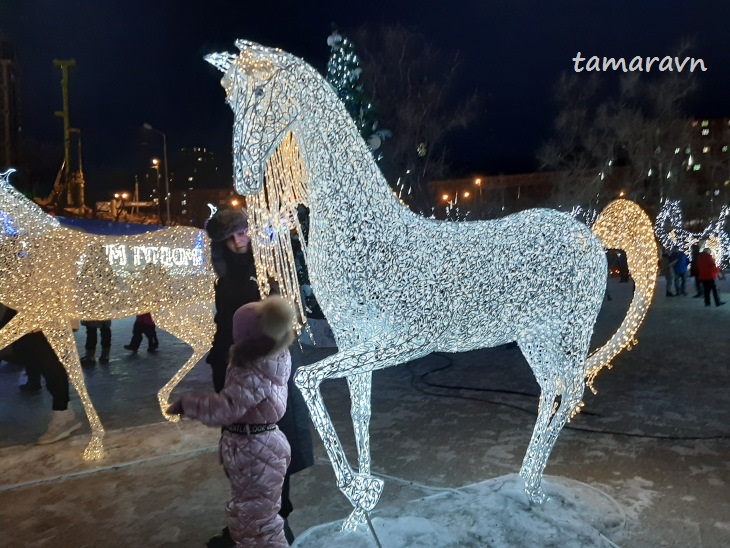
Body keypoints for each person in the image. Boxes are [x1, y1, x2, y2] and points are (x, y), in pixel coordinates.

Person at [204, 208, 314, 547]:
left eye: (243, 231)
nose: (240, 239)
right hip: (235, 376)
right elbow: (225, 324)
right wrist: (219, 362)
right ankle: (248, 527)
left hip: (266, 380)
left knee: (269, 452)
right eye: (232, 234)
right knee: (245, 457)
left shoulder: (265, 272)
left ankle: (278, 524)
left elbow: (281, 323)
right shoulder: (225, 277)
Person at [167, 296, 295, 547]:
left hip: (255, 448)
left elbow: (228, 408)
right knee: (250, 514)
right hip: (260, 444)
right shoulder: (275, 356)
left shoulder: (251, 367)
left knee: (258, 524)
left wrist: (190, 404)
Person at [11, 322, 82, 444]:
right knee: (42, 356)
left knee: (49, 360)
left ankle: (62, 413)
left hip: (46, 314)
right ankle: (65, 412)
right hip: (35, 314)